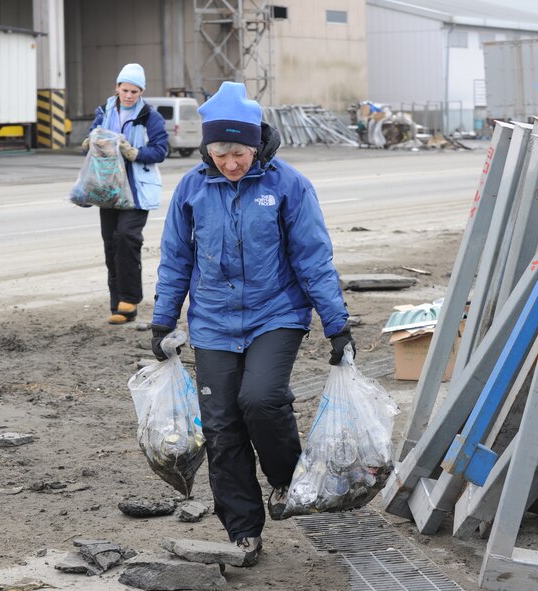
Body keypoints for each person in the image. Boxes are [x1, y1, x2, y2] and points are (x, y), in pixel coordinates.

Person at [149, 81, 355, 565]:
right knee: (221, 427)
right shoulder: (193, 188)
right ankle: (243, 530)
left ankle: (285, 480)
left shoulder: (288, 185)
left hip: (275, 313)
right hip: (214, 322)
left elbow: (313, 259)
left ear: (256, 144)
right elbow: (176, 258)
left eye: (239, 152)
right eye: (220, 153)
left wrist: (336, 324)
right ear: (208, 149)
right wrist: (162, 322)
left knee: (261, 400)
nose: (231, 163)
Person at [83, 63, 169, 324]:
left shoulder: (150, 117)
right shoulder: (105, 111)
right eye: (125, 89)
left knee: (126, 237)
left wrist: (135, 153)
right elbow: (92, 136)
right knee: (111, 243)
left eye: (134, 91)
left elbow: (161, 150)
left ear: (141, 91)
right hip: (108, 188)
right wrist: (90, 142)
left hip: (136, 190)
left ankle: (130, 300)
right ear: (117, 88)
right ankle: (118, 305)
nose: (129, 95)